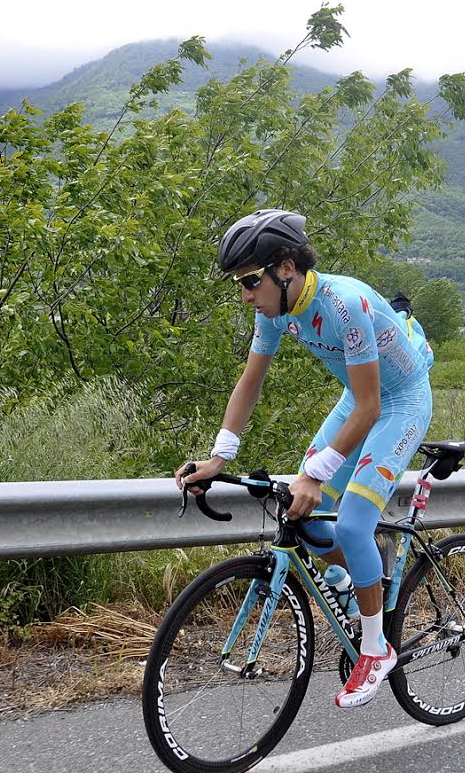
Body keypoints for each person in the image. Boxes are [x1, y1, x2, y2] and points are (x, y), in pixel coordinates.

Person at [174, 208, 434, 709]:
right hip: (356, 402)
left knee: (354, 524)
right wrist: (218, 456)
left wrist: (317, 472)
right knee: (304, 511)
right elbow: (250, 382)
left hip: (399, 403)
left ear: (286, 267)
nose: (246, 294)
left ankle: (377, 650)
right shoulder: (274, 310)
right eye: (240, 285)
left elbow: (372, 406)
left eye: (251, 281)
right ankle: (350, 577)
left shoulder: (344, 304)